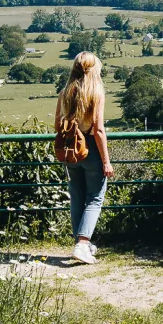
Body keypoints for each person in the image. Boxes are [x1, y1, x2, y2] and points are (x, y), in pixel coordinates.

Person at [55, 51, 112, 264]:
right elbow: (98, 130)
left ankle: (83, 244)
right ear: (94, 69)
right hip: (91, 149)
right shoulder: (96, 93)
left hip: (71, 149)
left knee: (77, 197)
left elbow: (57, 126)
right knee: (95, 198)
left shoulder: (65, 93)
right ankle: (82, 244)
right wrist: (106, 161)